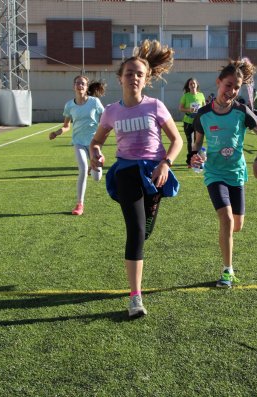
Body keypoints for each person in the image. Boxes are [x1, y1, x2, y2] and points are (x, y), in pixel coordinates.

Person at [89, 40, 183, 318]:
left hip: (154, 173)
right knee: (136, 231)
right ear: (120, 78)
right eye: (129, 73)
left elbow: (176, 140)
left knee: (145, 231)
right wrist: (97, 154)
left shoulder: (155, 106)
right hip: (127, 173)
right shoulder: (111, 111)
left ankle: (136, 274)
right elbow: (96, 142)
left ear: (147, 79)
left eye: (139, 74)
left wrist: (165, 163)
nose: (134, 77)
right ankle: (135, 297)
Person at [191, 59, 257, 288]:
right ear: (218, 83)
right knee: (225, 219)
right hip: (214, 174)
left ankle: (226, 240)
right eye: (228, 85)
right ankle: (227, 270)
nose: (232, 91)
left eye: (237, 87)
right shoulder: (203, 114)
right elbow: (197, 144)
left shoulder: (241, 111)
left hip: (237, 174)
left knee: (237, 226)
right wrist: (195, 156)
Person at [49, 75, 106, 215]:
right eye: (77, 83)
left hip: (94, 143)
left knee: (97, 178)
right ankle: (79, 204)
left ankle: (99, 160)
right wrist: (57, 133)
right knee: (83, 168)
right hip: (78, 142)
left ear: (86, 88)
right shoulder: (69, 105)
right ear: (74, 86)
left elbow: (105, 119)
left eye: (83, 84)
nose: (80, 86)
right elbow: (66, 126)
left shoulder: (95, 102)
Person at [178, 78, 206, 167]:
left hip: (198, 121)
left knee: (197, 142)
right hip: (188, 121)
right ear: (188, 86)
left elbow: (204, 107)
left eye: (194, 83)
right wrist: (189, 109)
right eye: (190, 84)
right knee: (189, 142)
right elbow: (181, 108)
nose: (192, 85)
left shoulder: (201, 95)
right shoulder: (185, 96)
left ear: (197, 85)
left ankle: (196, 161)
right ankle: (190, 161)